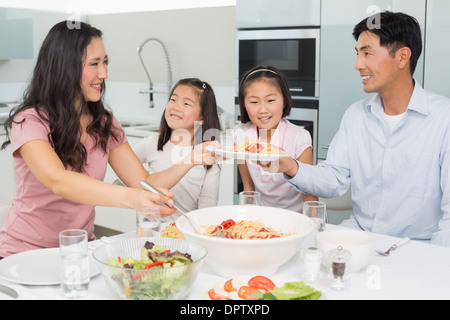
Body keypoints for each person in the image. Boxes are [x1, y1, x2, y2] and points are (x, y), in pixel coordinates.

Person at [0, 21, 191, 257]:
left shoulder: (103, 122)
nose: (104, 73)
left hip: (81, 250)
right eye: (94, 64)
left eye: (105, 62)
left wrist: (192, 159)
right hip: (25, 253)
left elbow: (144, 181)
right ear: (64, 66)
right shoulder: (30, 121)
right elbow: (59, 181)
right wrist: (135, 199)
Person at [273, 11, 450, 246]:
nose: (358, 65)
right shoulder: (355, 115)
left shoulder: (443, 118)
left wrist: (435, 267)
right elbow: (334, 177)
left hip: (416, 247)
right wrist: (290, 165)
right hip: (358, 239)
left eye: (367, 53)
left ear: (402, 57)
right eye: (358, 54)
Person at [132, 78, 222, 220]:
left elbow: (207, 209)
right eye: (173, 100)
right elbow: (124, 172)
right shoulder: (151, 144)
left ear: (203, 116)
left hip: (186, 234)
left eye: (186, 103)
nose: (175, 107)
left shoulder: (208, 156)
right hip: (150, 233)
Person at [233, 65, 318, 213]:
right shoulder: (240, 135)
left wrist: (314, 225)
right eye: (254, 102)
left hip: (295, 220)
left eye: (271, 100)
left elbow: (309, 194)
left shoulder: (299, 137)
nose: (263, 109)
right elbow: (249, 189)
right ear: (244, 104)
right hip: (262, 218)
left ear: (284, 100)